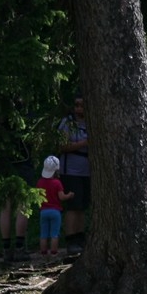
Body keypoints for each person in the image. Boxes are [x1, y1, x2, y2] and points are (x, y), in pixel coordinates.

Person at [56, 96, 90, 256]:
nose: (79, 109)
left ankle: (80, 237)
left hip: (87, 171)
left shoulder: (91, 122)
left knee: (82, 206)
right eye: (76, 105)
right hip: (70, 171)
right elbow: (62, 146)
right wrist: (83, 144)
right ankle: (71, 240)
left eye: (82, 105)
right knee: (73, 206)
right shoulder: (67, 123)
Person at [0, 133, 33, 263]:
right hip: (23, 160)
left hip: (4, 161)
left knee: (5, 206)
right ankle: (19, 248)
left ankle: (6, 249)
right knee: (23, 205)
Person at [35, 155, 73, 257]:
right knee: (54, 234)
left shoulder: (40, 182)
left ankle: (43, 252)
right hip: (55, 211)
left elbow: (38, 196)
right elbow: (61, 197)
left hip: (43, 211)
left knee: (43, 234)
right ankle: (53, 252)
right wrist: (69, 195)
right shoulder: (57, 183)